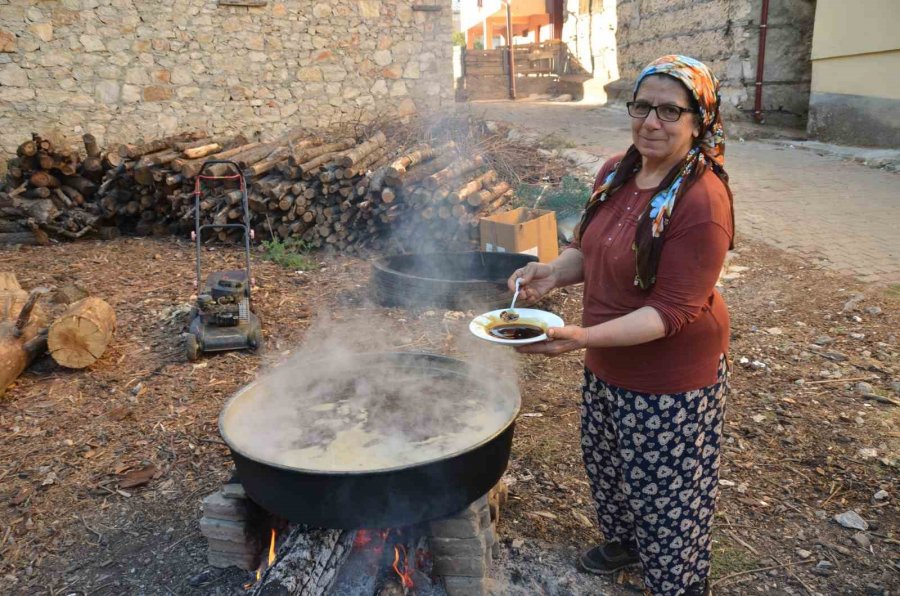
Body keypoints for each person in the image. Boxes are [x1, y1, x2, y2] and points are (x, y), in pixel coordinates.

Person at [507, 55, 734, 596]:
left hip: (670, 379)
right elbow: (587, 249)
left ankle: (674, 583)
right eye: (642, 106)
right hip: (606, 359)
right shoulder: (615, 171)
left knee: (668, 499)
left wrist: (579, 337)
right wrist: (550, 275)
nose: (651, 122)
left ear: (699, 119)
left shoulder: (702, 200)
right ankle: (627, 544)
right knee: (611, 472)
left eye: (669, 111)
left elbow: (672, 312)